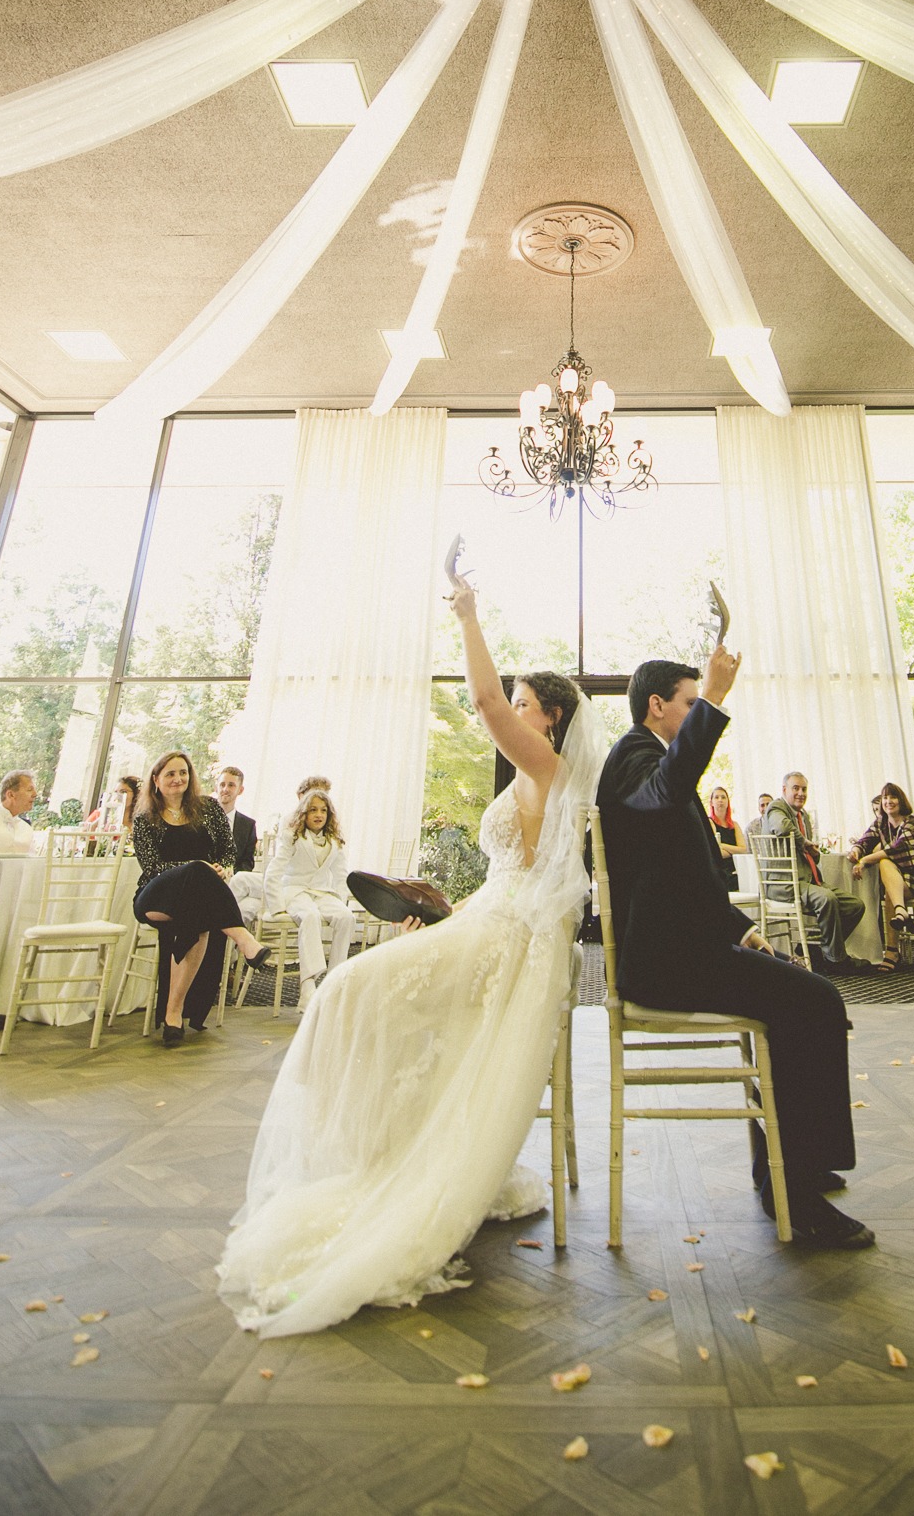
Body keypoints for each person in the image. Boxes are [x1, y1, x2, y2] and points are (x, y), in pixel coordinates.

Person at [218, 562, 608, 1336]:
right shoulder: (536, 775)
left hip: (509, 946)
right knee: (356, 993)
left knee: (344, 992)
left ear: (552, 719)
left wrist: (467, 614)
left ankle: (383, 1166)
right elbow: (516, 876)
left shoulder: (547, 767)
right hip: (489, 924)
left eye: (527, 705)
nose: (510, 713)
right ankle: (381, 1152)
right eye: (518, 704)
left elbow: (486, 699)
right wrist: (441, 912)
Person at [597, 655, 871, 1251]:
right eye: (691, 703)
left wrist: (741, 929)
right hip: (668, 965)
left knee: (805, 999)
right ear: (657, 706)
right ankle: (794, 1195)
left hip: (691, 949)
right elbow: (666, 794)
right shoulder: (633, 760)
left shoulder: (653, 761)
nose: (700, 711)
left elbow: (680, 877)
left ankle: (789, 1163)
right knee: (814, 1002)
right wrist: (717, 695)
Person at [132, 751, 273, 1045]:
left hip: (195, 900)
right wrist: (200, 868)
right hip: (156, 896)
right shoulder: (144, 818)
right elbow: (152, 866)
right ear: (156, 780)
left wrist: (220, 867)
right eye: (170, 774)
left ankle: (174, 1015)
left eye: (183, 772)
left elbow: (227, 849)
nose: (178, 779)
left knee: (195, 919)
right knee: (196, 870)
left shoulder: (208, 807)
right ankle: (244, 939)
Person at [261, 789, 357, 1007]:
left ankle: (334, 982)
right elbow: (275, 871)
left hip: (323, 893)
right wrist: (276, 906)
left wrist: (340, 900)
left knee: (347, 917)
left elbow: (341, 875)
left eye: (323, 810)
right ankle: (308, 987)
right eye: (313, 810)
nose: (318, 815)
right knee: (310, 916)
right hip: (295, 891)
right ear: (303, 813)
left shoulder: (334, 840)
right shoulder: (292, 836)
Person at [761, 772, 865, 969]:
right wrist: (806, 842)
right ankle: (836, 960)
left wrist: (814, 853)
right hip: (785, 884)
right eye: (796, 788)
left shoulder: (803, 816)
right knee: (827, 899)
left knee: (855, 905)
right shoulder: (776, 807)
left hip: (807, 881)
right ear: (784, 790)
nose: (801, 793)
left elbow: (806, 853)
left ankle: (815, 948)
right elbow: (782, 828)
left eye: (804, 789)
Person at [850, 784, 914, 973]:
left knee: (886, 865)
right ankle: (900, 914)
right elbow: (865, 840)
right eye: (885, 798)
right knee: (889, 891)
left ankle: (892, 951)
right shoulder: (881, 823)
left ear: (901, 800)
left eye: (893, 797)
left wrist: (865, 860)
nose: (888, 802)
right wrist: (856, 850)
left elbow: (897, 850)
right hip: (897, 883)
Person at [217, 766, 257, 874]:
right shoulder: (200, 819)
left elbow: (247, 863)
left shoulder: (248, 826)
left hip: (233, 885)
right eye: (222, 784)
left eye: (231, 785)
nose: (225, 789)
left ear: (240, 790)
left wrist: (229, 873)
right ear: (216, 787)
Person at [706, 784, 746, 892]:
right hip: (720, 871)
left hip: (736, 869)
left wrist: (722, 845)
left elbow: (744, 850)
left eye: (723, 797)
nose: (720, 800)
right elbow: (716, 853)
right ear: (712, 803)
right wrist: (734, 850)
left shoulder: (734, 825)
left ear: (728, 802)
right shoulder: (709, 823)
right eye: (717, 797)